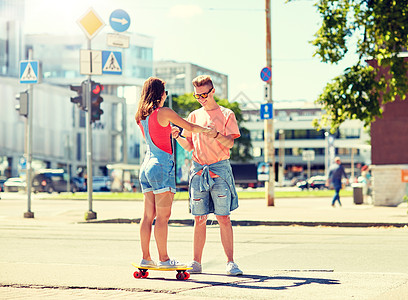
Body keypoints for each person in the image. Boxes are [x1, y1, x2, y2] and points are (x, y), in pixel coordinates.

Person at [135, 77, 211, 268]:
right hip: (161, 167)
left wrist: (170, 132)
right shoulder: (165, 111)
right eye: (165, 92)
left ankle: (146, 258)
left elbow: (156, 135)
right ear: (161, 94)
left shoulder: (140, 116)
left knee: (147, 216)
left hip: (146, 166)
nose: (166, 95)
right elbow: (191, 127)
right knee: (163, 217)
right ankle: (164, 259)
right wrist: (207, 130)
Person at [173, 75, 243, 276]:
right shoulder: (194, 116)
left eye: (204, 94)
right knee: (199, 218)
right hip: (198, 170)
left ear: (212, 91)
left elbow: (230, 144)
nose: (201, 99)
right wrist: (178, 136)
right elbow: (189, 146)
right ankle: (196, 262)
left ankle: (230, 262)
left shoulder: (226, 114)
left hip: (219, 169)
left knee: (223, 217)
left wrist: (215, 134)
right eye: (197, 96)